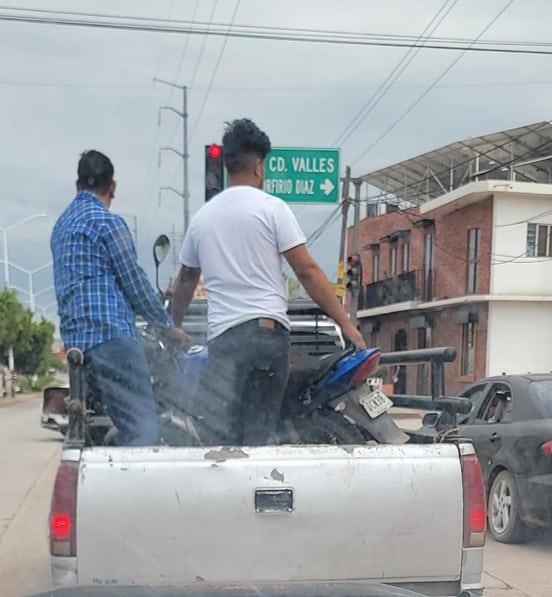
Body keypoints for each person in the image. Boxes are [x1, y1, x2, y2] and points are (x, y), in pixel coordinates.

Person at [171, 118, 366, 446]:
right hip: (266, 337)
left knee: (228, 444)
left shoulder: (202, 219)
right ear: (259, 166)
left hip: (225, 344)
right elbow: (307, 271)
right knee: (259, 440)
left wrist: (173, 324)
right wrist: (345, 322)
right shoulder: (273, 209)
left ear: (227, 166)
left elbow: (186, 279)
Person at [51, 150, 186, 446]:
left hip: (78, 344)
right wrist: (167, 325)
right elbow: (134, 283)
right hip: (110, 336)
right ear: (112, 187)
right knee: (143, 429)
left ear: (78, 184)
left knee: (109, 427)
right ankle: (138, 491)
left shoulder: (61, 227)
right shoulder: (107, 223)